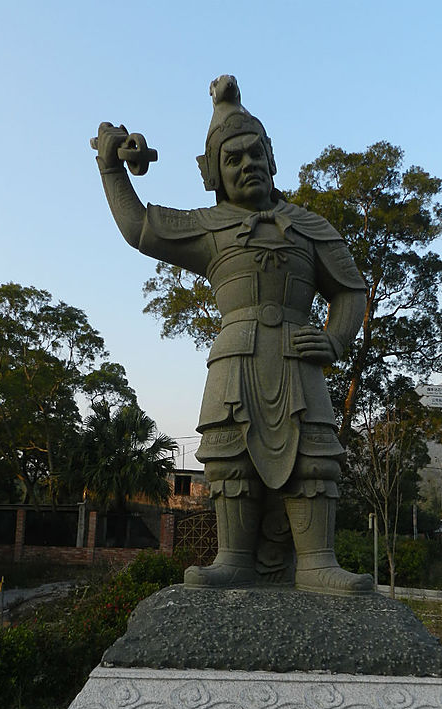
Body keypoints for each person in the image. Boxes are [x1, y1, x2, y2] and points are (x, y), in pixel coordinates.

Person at [95, 75, 372, 594]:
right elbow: (139, 228)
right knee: (229, 457)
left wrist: (335, 340)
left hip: (298, 357)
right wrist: (111, 169)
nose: (248, 164)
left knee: (314, 458)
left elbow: (350, 291)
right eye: (234, 158)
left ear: (272, 157)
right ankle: (234, 558)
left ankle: (318, 561)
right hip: (235, 359)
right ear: (214, 173)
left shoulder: (311, 227)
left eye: (255, 153)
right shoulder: (209, 226)